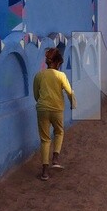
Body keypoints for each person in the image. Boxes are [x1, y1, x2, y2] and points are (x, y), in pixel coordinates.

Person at [33, 47, 76, 181]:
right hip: (57, 110)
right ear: (58, 63)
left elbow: (36, 95)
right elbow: (70, 92)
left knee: (45, 139)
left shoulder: (39, 75)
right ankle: (55, 158)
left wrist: (43, 103)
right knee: (59, 132)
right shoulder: (61, 75)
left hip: (42, 110)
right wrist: (72, 104)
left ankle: (45, 172)